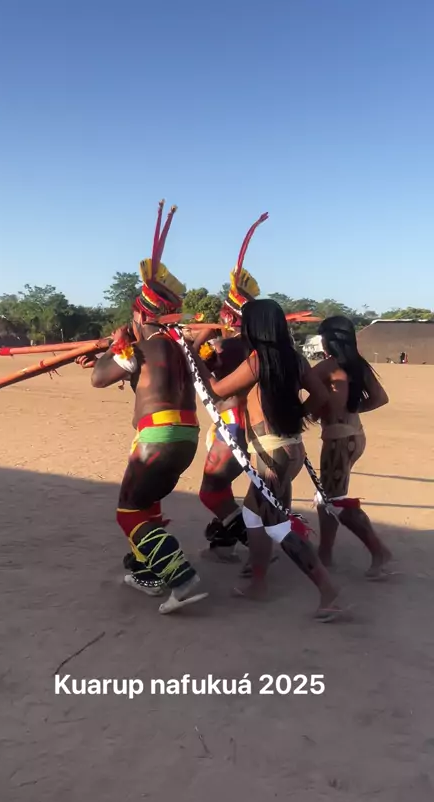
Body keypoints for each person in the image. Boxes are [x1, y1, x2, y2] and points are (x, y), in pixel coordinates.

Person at [78, 201, 207, 614]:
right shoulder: (179, 346)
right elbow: (138, 375)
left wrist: (114, 347)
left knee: (129, 513)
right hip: (187, 436)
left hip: (157, 437)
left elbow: (100, 379)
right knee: (148, 504)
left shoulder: (139, 346)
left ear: (138, 314)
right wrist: (109, 353)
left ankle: (181, 578)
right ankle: (146, 573)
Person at [193, 299, 344, 621]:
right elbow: (320, 396)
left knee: (276, 525)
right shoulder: (295, 359)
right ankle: (258, 583)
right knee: (253, 516)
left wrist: (196, 359)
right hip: (290, 448)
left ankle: (328, 592)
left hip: (271, 455)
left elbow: (218, 390)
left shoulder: (257, 361)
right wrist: (297, 416)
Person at [188, 213, 268, 565]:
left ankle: (255, 544)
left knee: (210, 492)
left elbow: (193, 361)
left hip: (232, 424)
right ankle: (224, 545)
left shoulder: (224, 346)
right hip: (245, 424)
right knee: (222, 488)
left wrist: (202, 336)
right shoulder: (250, 346)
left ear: (226, 316)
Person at [311, 316, 391, 578]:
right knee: (327, 497)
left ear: (330, 341)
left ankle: (379, 551)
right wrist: (352, 409)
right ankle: (325, 552)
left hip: (338, 440)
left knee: (334, 500)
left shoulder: (328, 366)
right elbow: (379, 398)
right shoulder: (358, 365)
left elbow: (302, 388)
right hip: (354, 435)